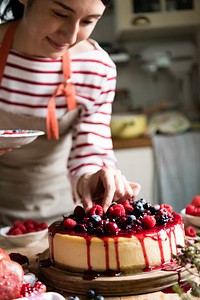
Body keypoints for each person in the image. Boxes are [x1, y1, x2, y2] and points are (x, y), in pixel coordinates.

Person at [0, 0, 141, 225]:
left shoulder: (96, 67)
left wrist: (93, 178)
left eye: (87, 21)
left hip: (59, 216)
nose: (70, 35)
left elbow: (89, 150)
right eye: (60, 14)